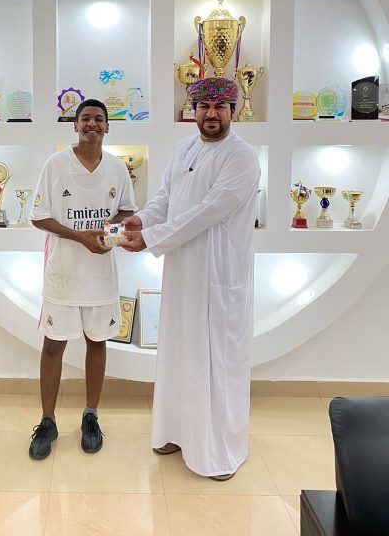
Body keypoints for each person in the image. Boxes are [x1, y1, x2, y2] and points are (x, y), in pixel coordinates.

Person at [121, 77, 260, 480]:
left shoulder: (241, 157)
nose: (211, 114)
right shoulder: (184, 147)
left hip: (218, 275)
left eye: (220, 107)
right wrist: (142, 219)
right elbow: (167, 198)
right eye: (203, 106)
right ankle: (176, 432)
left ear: (232, 111)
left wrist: (151, 238)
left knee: (216, 361)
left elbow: (209, 211)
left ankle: (217, 452)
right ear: (193, 110)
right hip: (182, 269)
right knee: (179, 350)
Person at [28, 99, 136, 459]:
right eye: (85, 118)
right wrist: (80, 237)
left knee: (97, 342)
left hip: (101, 275)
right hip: (63, 274)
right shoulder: (56, 165)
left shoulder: (117, 167)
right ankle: (47, 421)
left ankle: (91, 415)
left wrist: (107, 231)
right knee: (53, 346)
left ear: (107, 127)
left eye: (99, 119)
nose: (92, 124)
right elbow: (38, 215)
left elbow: (127, 209)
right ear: (75, 126)